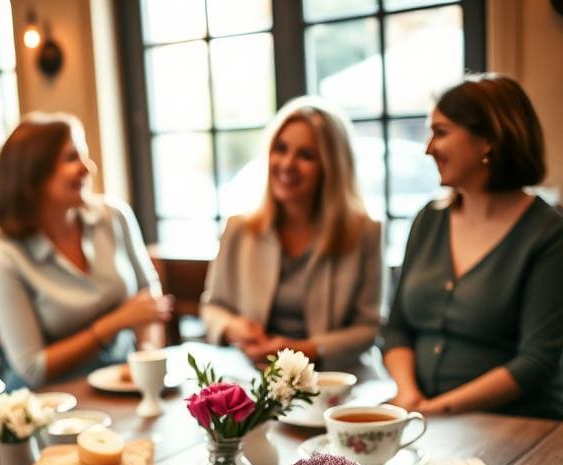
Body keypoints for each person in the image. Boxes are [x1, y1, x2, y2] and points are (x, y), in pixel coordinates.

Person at [383, 74, 563, 418]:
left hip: (515, 423)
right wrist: (409, 396)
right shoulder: (428, 219)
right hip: (420, 415)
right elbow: (396, 328)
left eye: (441, 132)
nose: (428, 148)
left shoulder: (548, 233)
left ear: (489, 140)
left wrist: (440, 408)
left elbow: (536, 361)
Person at [0, 113, 172, 388]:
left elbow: (148, 301)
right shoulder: (4, 256)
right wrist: (114, 324)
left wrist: (146, 360)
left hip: (121, 383)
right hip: (50, 401)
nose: (88, 167)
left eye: (84, 155)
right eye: (71, 158)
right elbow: (33, 368)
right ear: (34, 175)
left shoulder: (113, 216)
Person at [201, 97, 383, 372]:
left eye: (306, 155)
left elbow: (369, 328)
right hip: (255, 374)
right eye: (281, 149)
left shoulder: (365, 233)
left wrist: (310, 350)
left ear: (331, 166)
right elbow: (213, 307)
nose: (287, 164)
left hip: (333, 378)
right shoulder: (238, 229)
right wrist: (235, 328)